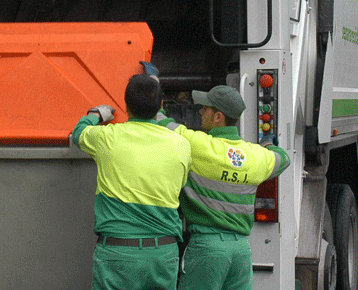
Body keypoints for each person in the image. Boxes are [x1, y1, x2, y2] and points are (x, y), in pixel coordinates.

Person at [148, 69, 291, 290]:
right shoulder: (255, 157)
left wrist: (152, 84)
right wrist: (268, 145)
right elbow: (283, 159)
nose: (200, 111)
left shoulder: (198, 146)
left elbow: (161, 123)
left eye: (205, 108)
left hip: (208, 248)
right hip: (241, 251)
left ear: (218, 117)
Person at [72, 73, 192, 290]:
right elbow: (180, 185)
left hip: (118, 253)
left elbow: (78, 133)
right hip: (163, 253)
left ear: (126, 106)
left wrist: (96, 114)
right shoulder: (181, 144)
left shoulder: (107, 137)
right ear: (161, 106)